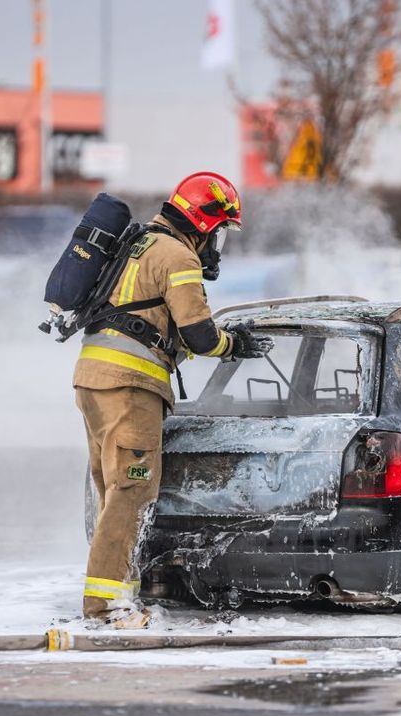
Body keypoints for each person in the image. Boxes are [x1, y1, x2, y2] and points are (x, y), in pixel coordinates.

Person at [72, 171, 272, 627]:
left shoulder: (139, 245)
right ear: (204, 223)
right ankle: (105, 607)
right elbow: (200, 336)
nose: (217, 244)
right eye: (218, 231)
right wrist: (234, 345)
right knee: (132, 491)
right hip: (131, 386)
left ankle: (124, 594)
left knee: (112, 492)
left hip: (93, 380)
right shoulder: (178, 256)